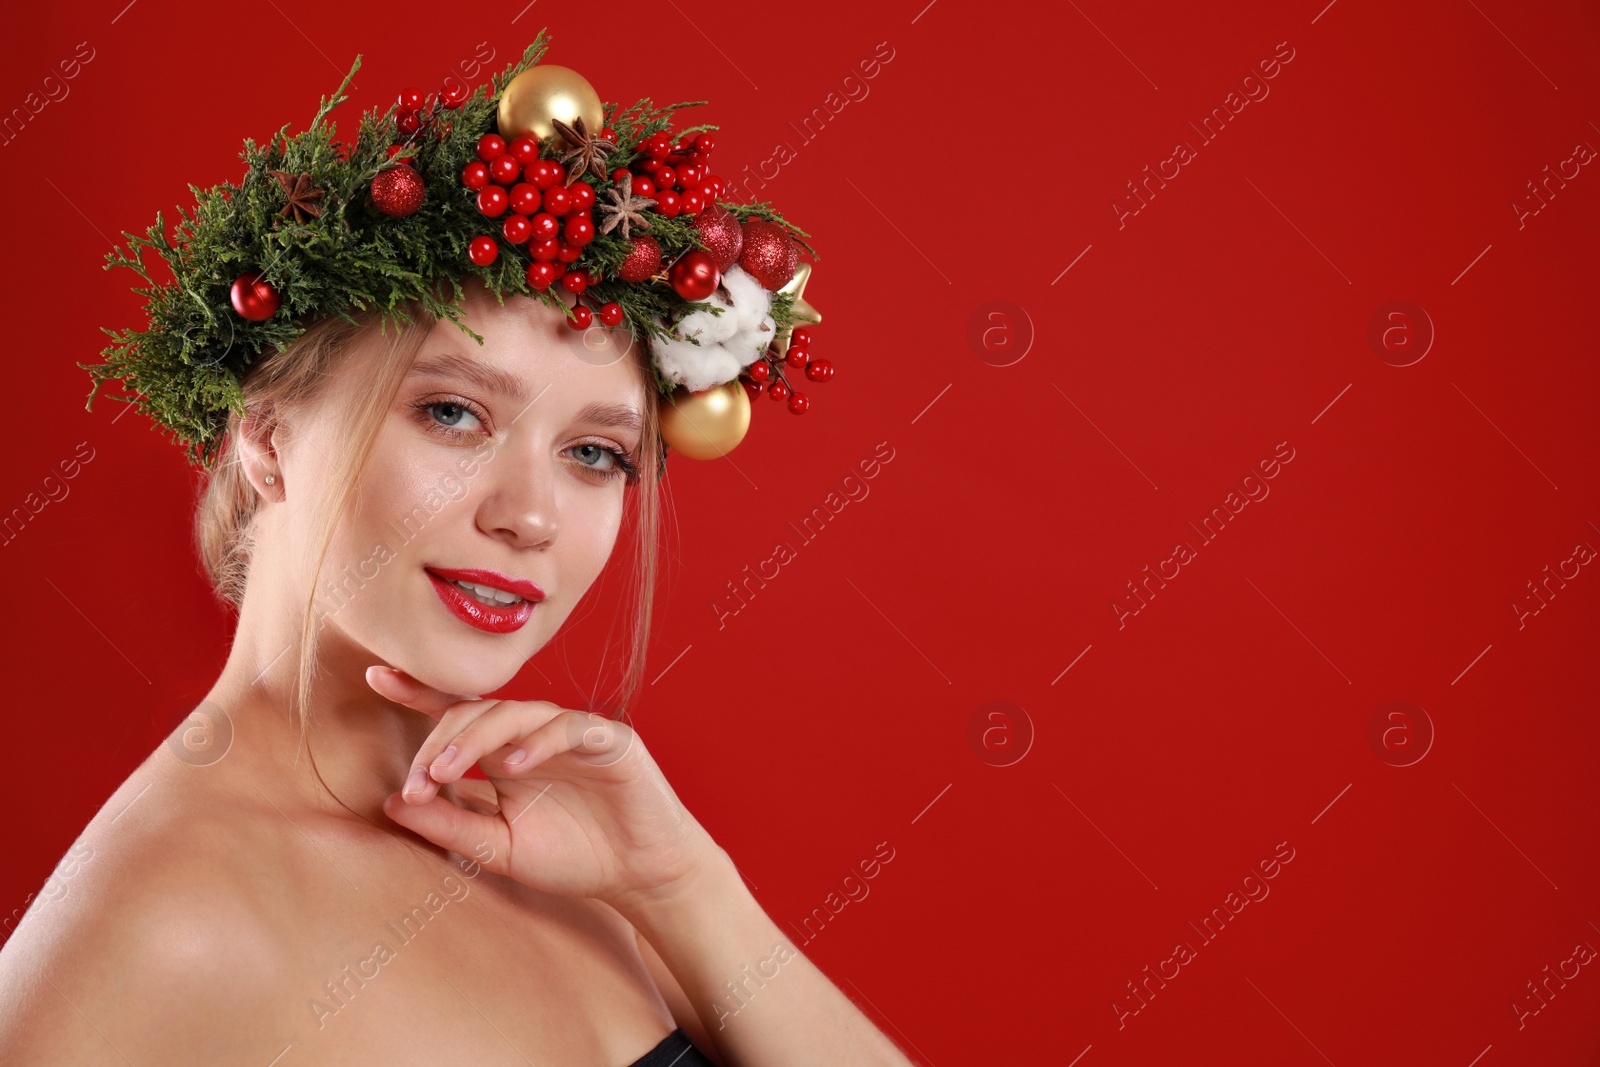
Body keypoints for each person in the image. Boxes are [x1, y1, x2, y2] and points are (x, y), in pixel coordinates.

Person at [0, 29, 889, 1067]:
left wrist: (686, 886)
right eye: (455, 415)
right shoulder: (165, 922)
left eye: (596, 451)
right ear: (266, 433)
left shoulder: (583, 853)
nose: (532, 515)